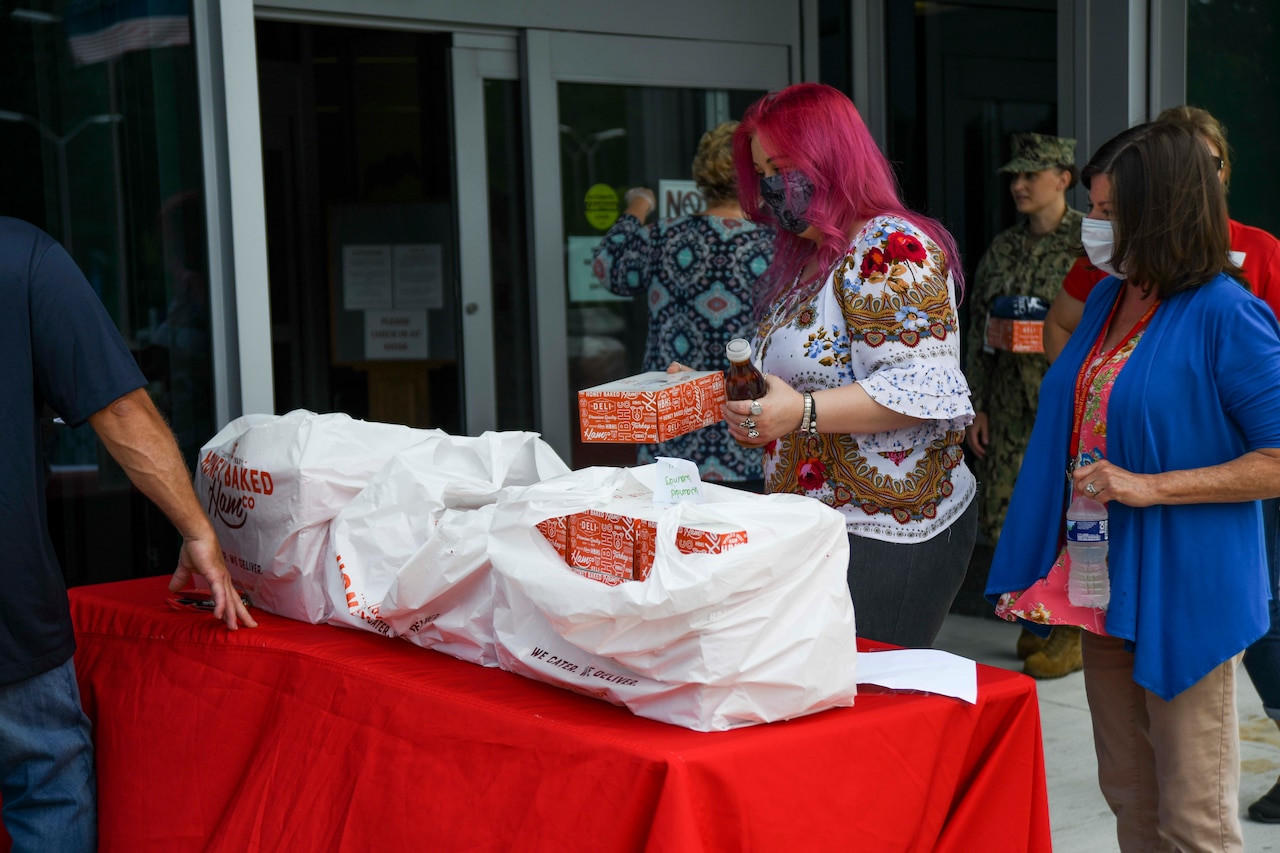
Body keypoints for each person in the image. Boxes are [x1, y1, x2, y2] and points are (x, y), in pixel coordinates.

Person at [986, 121, 1280, 851]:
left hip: (1188, 589)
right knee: (1131, 799)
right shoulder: (1116, 300)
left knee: (1191, 818)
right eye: (1094, 206)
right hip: (1102, 581)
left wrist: (1151, 487)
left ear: (1165, 209)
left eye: (1111, 211)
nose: (1095, 226)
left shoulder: (1226, 311)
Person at [2, 216, 255, 851]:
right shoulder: (21, 257)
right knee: (45, 785)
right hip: (7, 608)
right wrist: (197, 530)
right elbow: (119, 409)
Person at [720, 83, 978, 648]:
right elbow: (806, 376)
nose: (770, 185)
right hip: (820, 521)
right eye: (762, 170)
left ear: (830, 156)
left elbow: (921, 391)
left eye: (782, 165)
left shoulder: (888, 246)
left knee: (871, 704)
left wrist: (801, 412)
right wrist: (731, 392)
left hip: (887, 529)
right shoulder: (816, 258)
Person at [592, 121, 775, 491]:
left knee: (674, 543)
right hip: (751, 430)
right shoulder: (777, 244)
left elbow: (608, 268)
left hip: (673, 430)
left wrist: (638, 207)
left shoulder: (662, 235)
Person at [962, 133, 1084, 678]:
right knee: (1013, 515)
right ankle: (1034, 619)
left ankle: (1068, 631)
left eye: (1031, 175)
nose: (1019, 185)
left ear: (1063, 177)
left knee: (1070, 514)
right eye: (1015, 176)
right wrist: (977, 404)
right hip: (1010, 408)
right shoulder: (1004, 248)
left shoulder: (1089, 245)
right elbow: (979, 332)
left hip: (1065, 405)